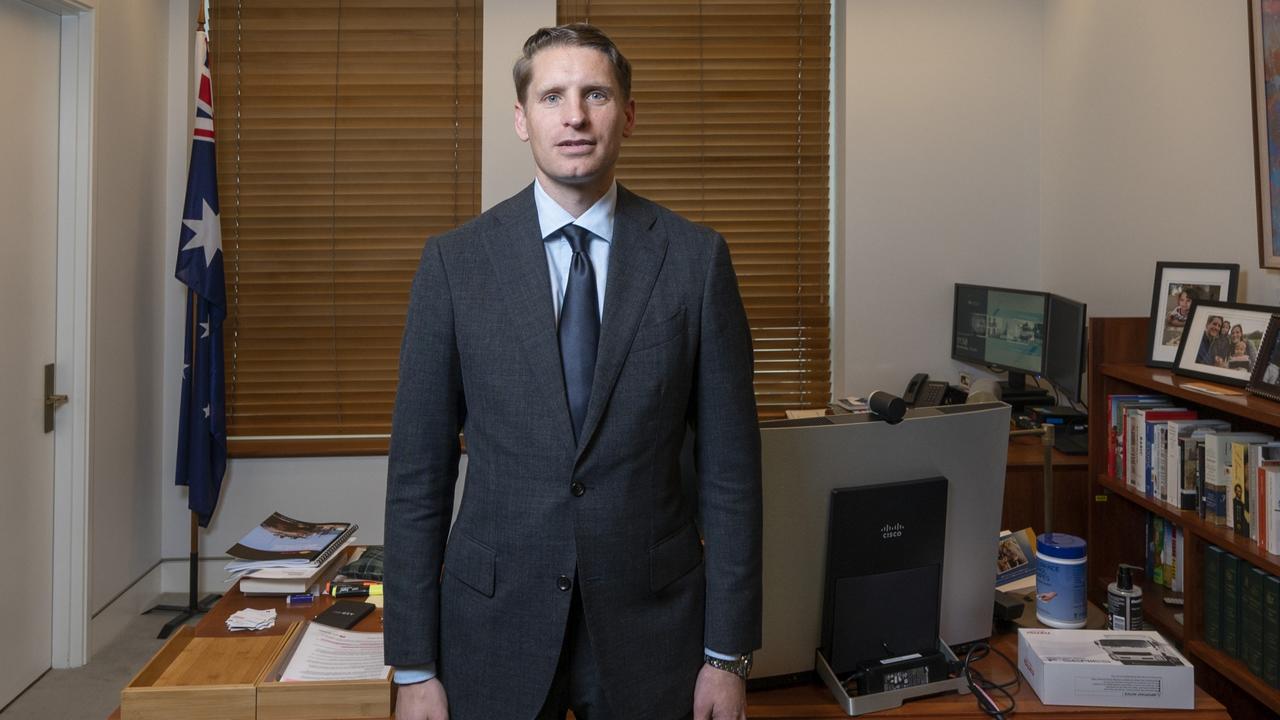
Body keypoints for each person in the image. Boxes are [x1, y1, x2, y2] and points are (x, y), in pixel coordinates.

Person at [383, 23, 762, 720]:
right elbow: (417, 478)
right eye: (553, 96)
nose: (576, 116)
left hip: (656, 631)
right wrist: (412, 666)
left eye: (596, 94)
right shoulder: (455, 265)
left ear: (629, 113)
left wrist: (727, 655)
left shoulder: (696, 261)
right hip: (492, 626)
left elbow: (731, 475)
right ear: (522, 120)